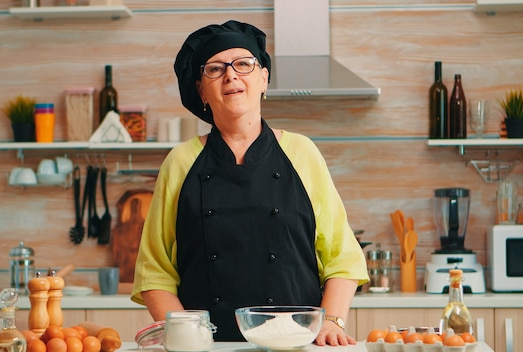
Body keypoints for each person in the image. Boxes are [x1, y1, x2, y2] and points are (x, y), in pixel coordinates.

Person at [131, 20, 368, 346]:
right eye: (215, 69)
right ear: (201, 89)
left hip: (298, 343)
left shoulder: (301, 152)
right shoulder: (181, 162)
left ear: (264, 78)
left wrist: (330, 321)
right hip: (208, 347)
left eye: (243, 64)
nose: (231, 75)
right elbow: (154, 272)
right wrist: (186, 336)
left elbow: (342, 258)